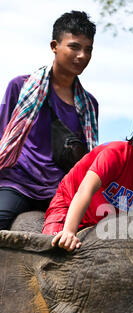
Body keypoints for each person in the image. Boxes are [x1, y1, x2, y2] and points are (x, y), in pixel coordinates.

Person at [0, 10, 98, 230]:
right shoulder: (20, 86)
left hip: (59, 190)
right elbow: (4, 138)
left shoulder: (90, 105)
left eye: (88, 49)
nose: (82, 55)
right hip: (18, 183)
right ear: (55, 46)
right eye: (74, 46)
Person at [42, 104, 133, 252]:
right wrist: (69, 232)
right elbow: (86, 189)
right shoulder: (115, 155)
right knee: (53, 251)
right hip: (68, 210)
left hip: (102, 226)